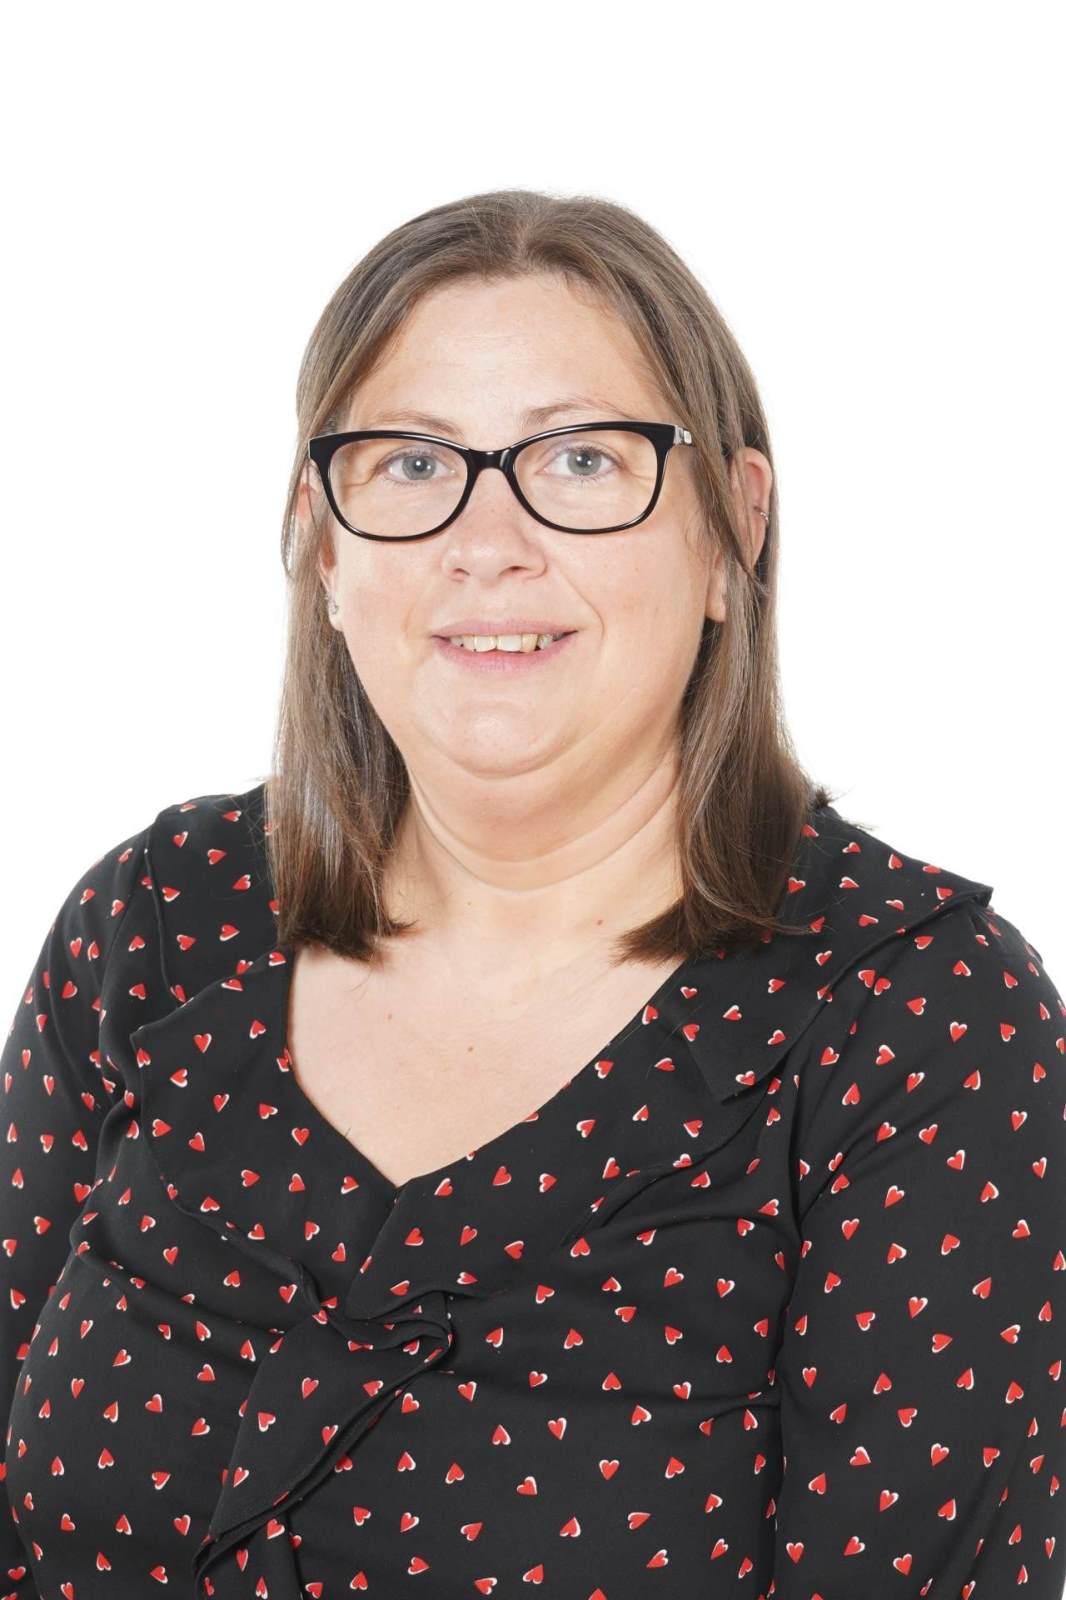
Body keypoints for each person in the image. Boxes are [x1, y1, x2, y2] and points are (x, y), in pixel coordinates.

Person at [2, 190, 1064, 1600]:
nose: (485, 541)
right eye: (408, 463)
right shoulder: (160, 920)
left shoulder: (921, 1024)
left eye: (578, 459)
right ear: (324, 549)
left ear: (732, 531)